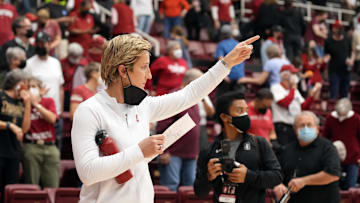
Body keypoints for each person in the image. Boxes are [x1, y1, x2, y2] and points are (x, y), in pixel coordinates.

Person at [71, 34, 259, 202]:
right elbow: (88, 173)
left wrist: (226, 64)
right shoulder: (89, 110)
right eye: (144, 67)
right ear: (122, 71)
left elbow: (189, 95)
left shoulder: (142, 105)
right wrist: (139, 152)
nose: (149, 74)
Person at [194, 91, 282, 203]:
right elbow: (199, 193)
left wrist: (249, 176)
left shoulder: (260, 143)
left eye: (246, 110)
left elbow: (277, 176)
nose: (245, 115)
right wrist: (208, 176)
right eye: (240, 110)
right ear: (225, 117)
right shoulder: (208, 150)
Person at [273, 111, 341, 203]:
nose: (305, 128)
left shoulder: (328, 148)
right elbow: (276, 173)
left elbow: (333, 174)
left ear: (317, 128)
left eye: (309, 125)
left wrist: (304, 181)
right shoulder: (286, 149)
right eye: (301, 125)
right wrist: (278, 185)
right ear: (295, 130)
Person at [157, 69, 203, 191]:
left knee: (189, 189)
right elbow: (162, 125)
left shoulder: (194, 98)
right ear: (191, 82)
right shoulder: (175, 96)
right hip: (172, 153)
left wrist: (196, 152)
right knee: (171, 187)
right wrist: (163, 150)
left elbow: (196, 127)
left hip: (191, 153)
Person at [24, 31, 65, 149]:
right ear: (36, 44)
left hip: (55, 112)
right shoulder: (29, 63)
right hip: (37, 112)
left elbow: (60, 87)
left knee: (56, 148)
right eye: (39, 43)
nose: (42, 46)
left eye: (45, 43)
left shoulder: (56, 62)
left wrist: (60, 109)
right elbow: (26, 87)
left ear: (49, 44)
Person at [22, 76, 60, 188]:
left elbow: (52, 119)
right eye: (28, 87)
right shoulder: (22, 104)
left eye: (33, 87)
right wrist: (29, 105)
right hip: (31, 146)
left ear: (40, 89)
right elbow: (24, 129)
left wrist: (36, 105)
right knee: (32, 185)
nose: (30, 90)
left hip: (50, 146)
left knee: (52, 186)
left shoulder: (48, 101)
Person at [0, 70, 31, 202]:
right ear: (18, 84)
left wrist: (28, 104)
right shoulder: (1, 95)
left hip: (13, 152)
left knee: (11, 190)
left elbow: (24, 129)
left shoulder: (21, 102)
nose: (27, 88)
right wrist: (9, 125)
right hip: (0, 149)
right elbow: (14, 127)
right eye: (25, 84)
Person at [271, 65, 319, 145]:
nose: (296, 76)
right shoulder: (276, 87)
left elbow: (304, 106)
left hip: (295, 126)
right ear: (285, 75)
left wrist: (312, 95)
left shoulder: (294, 90)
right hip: (282, 126)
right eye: (293, 73)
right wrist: (293, 89)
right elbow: (284, 103)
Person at [323, 98, 360, 190]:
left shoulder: (356, 118)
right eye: (340, 115)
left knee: (351, 186)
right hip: (335, 156)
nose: (341, 118)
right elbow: (325, 137)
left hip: (353, 156)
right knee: (334, 186)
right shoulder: (330, 118)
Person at [324, 20, 354, 99]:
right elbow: (326, 54)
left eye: (341, 28)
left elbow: (352, 52)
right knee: (334, 94)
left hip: (346, 71)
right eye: (338, 28)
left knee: (345, 94)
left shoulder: (347, 39)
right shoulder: (329, 41)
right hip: (334, 71)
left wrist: (351, 60)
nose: (340, 30)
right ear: (333, 29)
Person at [215, 25, 245, 96]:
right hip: (240, 77)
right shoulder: (238, 44)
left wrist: (224, 76)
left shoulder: (221, 44)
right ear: (232, 34)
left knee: (222, 101)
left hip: (227, 77)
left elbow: (221, 60)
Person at [61, 42, 88, 111]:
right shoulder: (62, 63)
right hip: (67, 92)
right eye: (73, 56)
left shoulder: (83, 64)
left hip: (79, 91)